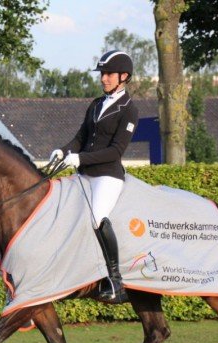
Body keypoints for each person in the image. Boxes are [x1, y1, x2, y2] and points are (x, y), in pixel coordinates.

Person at [50, 50, 138, 303]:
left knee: (98, 217)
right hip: (84, 173)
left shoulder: (129, 110)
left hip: (107, 176)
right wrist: (63, 151)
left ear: (124, 76)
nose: (104, 78)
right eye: (103, 74)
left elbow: (115, 151)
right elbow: (80, 137)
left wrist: (80, 159)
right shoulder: (96, 104)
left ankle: (115, 282)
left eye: (109, 74)